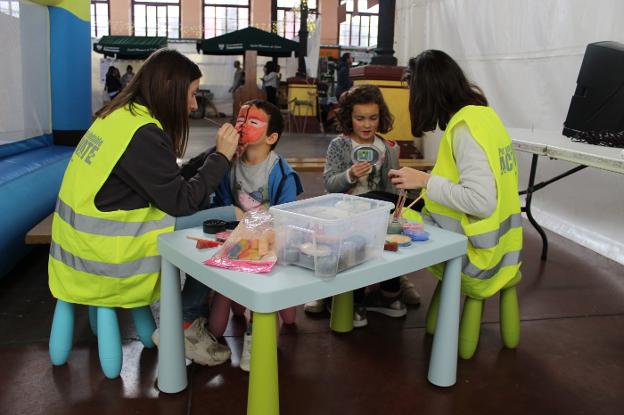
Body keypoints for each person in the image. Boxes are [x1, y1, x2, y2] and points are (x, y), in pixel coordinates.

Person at [48, 49, 240, 367]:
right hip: (109, 251)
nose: (194, 105)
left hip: (75, 247)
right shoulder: (143, 133)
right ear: (169, 88)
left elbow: (165, 180)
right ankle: (185, 321)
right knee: (226, 223)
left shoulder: (121, 116)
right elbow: (181, 202)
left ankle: (184, 319)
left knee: (215, 219)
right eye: (191, 94)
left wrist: (216, 154)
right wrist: (221, 158)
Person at [388, 50, 522, 337]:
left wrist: (425, 180)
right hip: (507, 252)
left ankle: (383, 292)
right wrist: (424, 179)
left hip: (479, 256)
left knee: (386, 214)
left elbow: (481, 202)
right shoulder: (484, 117)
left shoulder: (464, 129)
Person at [180, 99, 304, 372]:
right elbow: (222, 207)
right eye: (240, 119)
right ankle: (213, 322)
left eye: (253, 121)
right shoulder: (229, 165)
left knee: (284, 313)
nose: (241, 125)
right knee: (216, 324)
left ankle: (254, 333)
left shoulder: (281, 173)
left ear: (272, 137)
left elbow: (288, 218)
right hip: (236, 244)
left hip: (271, 247)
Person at [303, 84, 421, 327]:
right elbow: (329, 183)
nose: (367, 125)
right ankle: (334, 293)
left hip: (379, 214)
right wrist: (350, 175)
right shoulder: (340, 145)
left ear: (381, 117)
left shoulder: (389, 148)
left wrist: (405, 189)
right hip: (343, 214)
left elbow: (392, 188)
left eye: (373, 118)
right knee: (350, 248)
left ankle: (391, 292)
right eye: (360, 118)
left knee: (389, 240)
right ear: (349, 118)